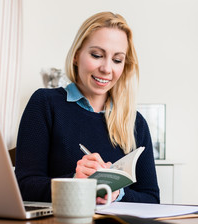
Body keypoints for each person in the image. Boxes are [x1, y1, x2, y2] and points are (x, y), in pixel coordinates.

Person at [15, 12, 160, 204]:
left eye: (117, 60)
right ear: (76, 56)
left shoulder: (136, 123)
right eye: (97, 55)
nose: (107, 69)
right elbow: (23, 186)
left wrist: (116, 194)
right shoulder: (45, 104)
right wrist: (75, 183)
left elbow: (151, 199)